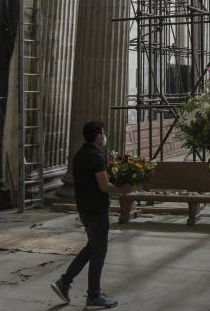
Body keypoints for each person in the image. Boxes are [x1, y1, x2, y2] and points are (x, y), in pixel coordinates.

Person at [51, 121, 132, 310]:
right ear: (97, 136)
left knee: (92, 247)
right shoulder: (96, 156)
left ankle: (65, 282)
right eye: (103, 133)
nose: (104, 136)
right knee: (99, 252)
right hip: (96, 210)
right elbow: (103, 186)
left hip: (85, 209)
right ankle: (93, 296)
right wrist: (123, 189)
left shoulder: (80, 154)